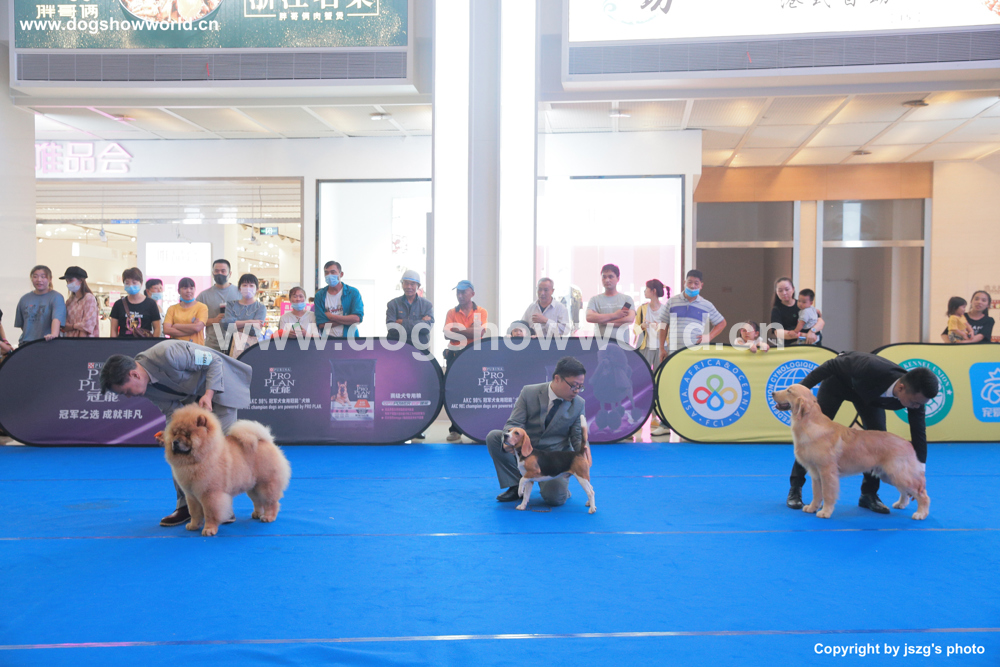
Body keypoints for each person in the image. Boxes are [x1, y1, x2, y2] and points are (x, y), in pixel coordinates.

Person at [99, 339, 253, 527]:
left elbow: (213, 360)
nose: (129, 396)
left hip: (219, 389)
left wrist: (208, 394)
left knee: (217, 452)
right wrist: (170, 434)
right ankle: (186, 507)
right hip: (192, 400)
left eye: (127, 391)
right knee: (177, 451)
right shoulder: (145, 388)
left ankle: (221, 507)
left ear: (134, 374)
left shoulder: (169, 354)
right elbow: (171, 410)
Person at [785, 351, 939, 514]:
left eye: (920, 404)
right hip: (838, 384)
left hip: (870, 397)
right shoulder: (870, 367)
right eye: (915, 403)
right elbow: (830, 365)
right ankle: (796, 488)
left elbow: (919, 433)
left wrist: (920, 472)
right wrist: (799, 392)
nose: (917, 407)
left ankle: (868, 494)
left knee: (878, 445)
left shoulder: (916, 398)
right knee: (813, 440)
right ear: (901, 388)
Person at [486, 356, 587, 506]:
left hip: (553, 458)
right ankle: (515, 485)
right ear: (557, 378)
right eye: (573, 385)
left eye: (580, 386)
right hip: (527, 449)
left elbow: (577, 435)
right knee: (495, 437)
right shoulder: (529, 392)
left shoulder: (579, 404)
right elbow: (514, 423)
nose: (577, 391)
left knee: (555, 499)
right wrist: (507, 443)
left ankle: (559, 487)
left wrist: (584, 451)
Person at [443, 280, 489, 442]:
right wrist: (469, 331)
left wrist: (458, 330)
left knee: (476, 392)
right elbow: (447, 334)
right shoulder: (451, 312)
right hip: (454, 354)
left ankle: (476, 428)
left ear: (472, 294)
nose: (460, 295)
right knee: (455, 392)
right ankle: (455, 430)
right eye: (458, 292)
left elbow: (479, 333)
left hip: (475, 356)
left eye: (463, 292)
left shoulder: (481, 311)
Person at [656, 269, 727, 362]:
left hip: (696, 354)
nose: (692, 286)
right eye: (689, 282)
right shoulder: (672, 301)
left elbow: (722, 323)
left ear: (701, 285)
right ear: (684, 283)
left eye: (696, 283)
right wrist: (661, 348)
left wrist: (709, 336)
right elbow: (663, 325)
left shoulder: (706, 305)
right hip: (674, 352)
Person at [196, 259, 240, 354]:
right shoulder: (203, 296)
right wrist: (214, 320)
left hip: (236, 345)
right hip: (212, 346)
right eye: (216, 271)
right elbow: (196, 322)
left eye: (223, 271)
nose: (219, 273)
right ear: (213, 273)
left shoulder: (240, 293)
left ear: (230, 274)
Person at [15, 265, 67, 344]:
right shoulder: (24, 299)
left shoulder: (56, 297)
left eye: (43, 277)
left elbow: (57, 319)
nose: (39, 280)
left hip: (47, 342)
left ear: (50, 279)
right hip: (26, 343)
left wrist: (54, 334)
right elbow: (22, 324)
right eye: (35, 277)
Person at [585, 264, 635, 344]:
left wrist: (603, 321)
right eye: (604, 277)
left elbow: (629, 319)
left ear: (618, 278)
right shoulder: (595, 300)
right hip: (600, 345)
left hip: (622, 345)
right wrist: (615, 315)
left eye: (610, 277)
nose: (607, 280)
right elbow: (589, 317)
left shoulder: (627, 299)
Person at [314, 261, 364, 338]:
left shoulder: (352, 292)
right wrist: (347, 320)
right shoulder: (319, 295)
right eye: (326, 273)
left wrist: (331, 317)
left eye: (333, 272)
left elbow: (357, 318)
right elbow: (321, 324)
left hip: (350, 338)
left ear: (341, 274)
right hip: (327, 339)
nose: (329, 275)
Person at [221, 273, 268, 356]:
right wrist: (250, 322)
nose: (248, 288)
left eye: (251, 285)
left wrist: (236, 325)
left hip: (251, 348)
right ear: (239, 288)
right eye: (245, 285)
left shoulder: (261, 308)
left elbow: (254, 330)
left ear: (257, 289)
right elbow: (226, 325)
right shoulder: (231, 304)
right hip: (230, 347)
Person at [385, 269, 434, 347]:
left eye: (412, 284)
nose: (408, 287)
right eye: (406, 283)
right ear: (402, 284)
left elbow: (426, 328)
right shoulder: (393, 304)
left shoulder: (427, 305)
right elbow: (392, 329)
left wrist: (402, 322)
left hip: (420, 349)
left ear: (418, 286)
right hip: (397, 348)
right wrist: (420, 322)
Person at [769, 277, 824, 346]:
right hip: (792, 346)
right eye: (780, 291)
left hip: (813, 345)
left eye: (787, 289)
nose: (784, 293)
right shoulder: (776, 310)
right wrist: (803, 335)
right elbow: (778, 332)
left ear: (793, 289)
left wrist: (812, 331)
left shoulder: (803, 304)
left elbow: (820, 322)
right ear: (776, 292)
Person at [109, 267, 161, 339]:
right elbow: (113, 330)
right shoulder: (118, 304)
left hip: (144, 344)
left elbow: (157, 328)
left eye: (134, 283)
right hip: (123, 343)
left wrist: (152, 343)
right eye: (127, 283)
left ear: (141, 283)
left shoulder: (151, 304)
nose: (131, 285)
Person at [162, 277, 209, 345]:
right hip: (176, 347)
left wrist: (176, 326)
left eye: (191, 288)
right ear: (179, 291)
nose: (188, 291)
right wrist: (191, 330)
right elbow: (166, 330)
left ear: (195, 290)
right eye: (185, 288)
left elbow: (197, 327)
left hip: (196, 348)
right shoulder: (172, 309)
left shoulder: (202, 307)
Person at [60, 266, 99, 338]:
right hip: (69, 339)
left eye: (71, 280)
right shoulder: (69, 301)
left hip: (84, 341)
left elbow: (87, 325)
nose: (68, 284)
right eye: (67, 281)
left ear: (81, 280)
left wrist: (79, 341)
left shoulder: (89, 298)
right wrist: (76, 326)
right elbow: (64, 325)